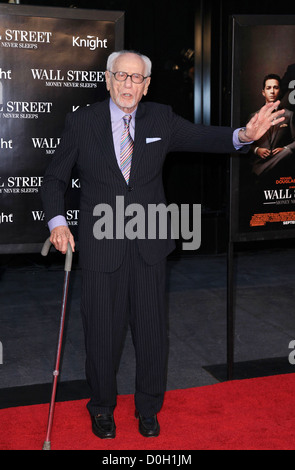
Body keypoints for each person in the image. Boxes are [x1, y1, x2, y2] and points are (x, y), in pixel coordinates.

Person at [41, 50, 284, 440]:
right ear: (108, 79)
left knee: (152, 334)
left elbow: (204, 137)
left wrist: (244, 135)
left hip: (150, 245)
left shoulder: (160, 118)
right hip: (103, 246)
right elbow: (53, 179)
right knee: (102, 334)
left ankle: (148, 407)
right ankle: (102, 407)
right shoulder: (81, 122)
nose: (128, 85)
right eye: (121, 76)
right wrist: (57, 222)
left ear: (147, 85)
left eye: (137, 79)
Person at [249, 74, 295, 177]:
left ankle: (261, 172)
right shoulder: (253, 117)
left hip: (281, 166)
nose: (272, 91)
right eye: (268, 88)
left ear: (280, 91)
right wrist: (257, 150)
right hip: (259, 162)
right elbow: (244, 143)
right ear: (263, 92)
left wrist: (285, 149)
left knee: (288, 153)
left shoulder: (289, 115)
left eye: (276, 87)